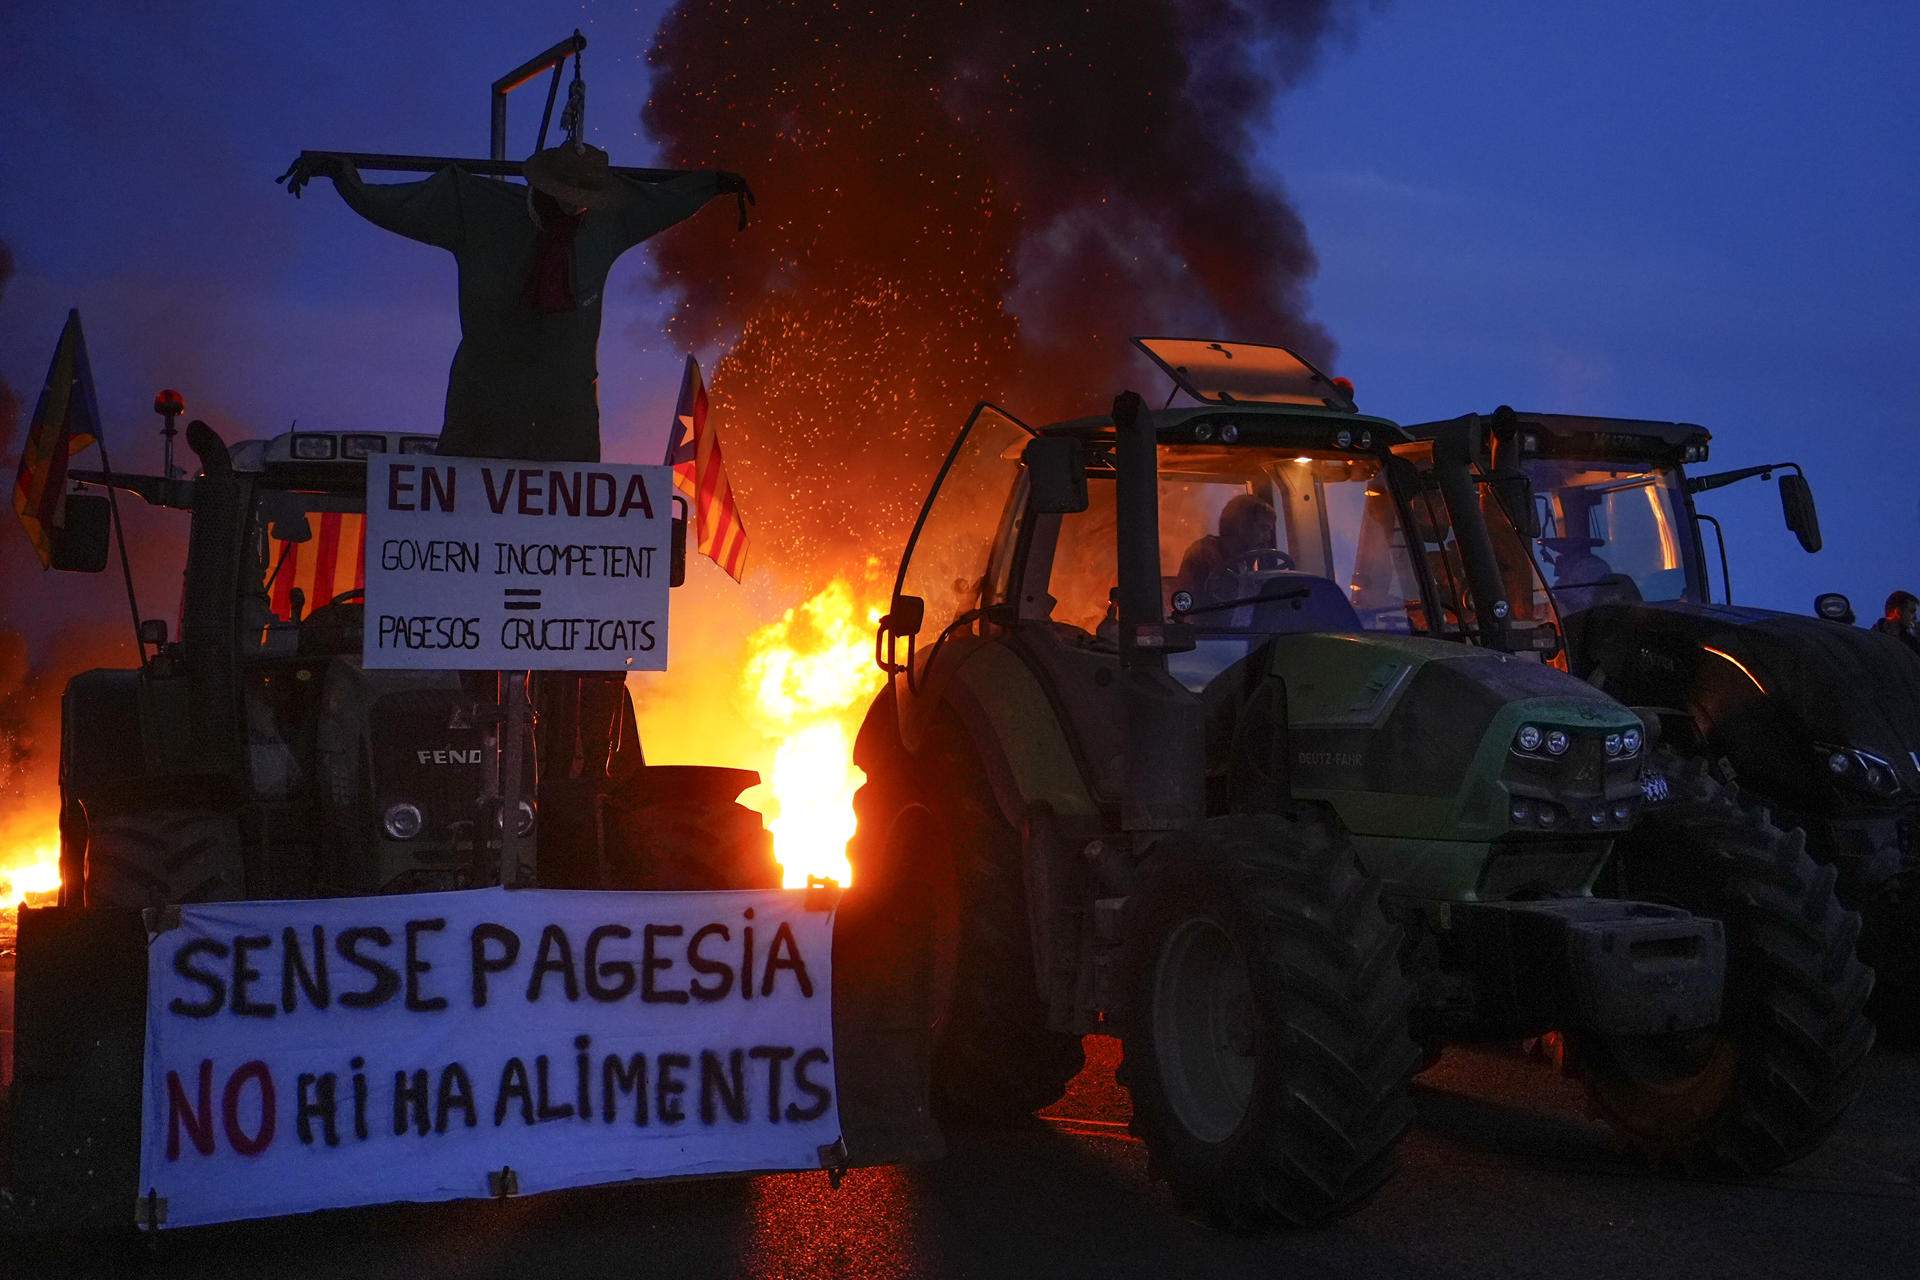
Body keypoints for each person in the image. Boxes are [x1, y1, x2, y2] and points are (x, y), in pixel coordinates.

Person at [279, 144, 750, 462]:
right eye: (565, 196)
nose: (574, 208)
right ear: (541, 187)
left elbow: (661, 201)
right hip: (483, 407)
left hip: (566, 417)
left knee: (564, 538)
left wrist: (711, 185)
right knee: (461, 528)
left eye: (584, 199)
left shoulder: (608, 221)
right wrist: (344, 178)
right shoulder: (477, 211)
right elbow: (395, 205)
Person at [1174, 493, 1280, 606]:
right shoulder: (1202, 554)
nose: (1268, 537)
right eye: (1264, 528)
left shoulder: (1244, 560)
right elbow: (1189, 609)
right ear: (1242, 526)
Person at [1872, 590, 1920, 655]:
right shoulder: (1873, 639)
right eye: (1911, 611)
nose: (1915, 617)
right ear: (1898, 612)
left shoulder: (1912, 643)